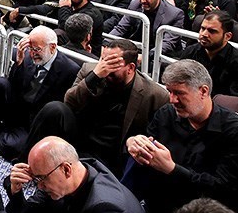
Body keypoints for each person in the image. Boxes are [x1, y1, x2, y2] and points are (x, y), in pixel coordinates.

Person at [30, 39, 169, 177]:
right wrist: (94, 77)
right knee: (55, 108)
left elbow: (153, 138)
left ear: (130, 68)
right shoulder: (90, 71)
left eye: (112, 63)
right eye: (103, 60)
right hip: (81, 138)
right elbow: (69, 102)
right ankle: (27, 166)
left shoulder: (155, 95)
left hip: (114, 154)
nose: (105, 67)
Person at [124, 59, 238, 213]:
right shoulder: (165, 114)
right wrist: (133, 142)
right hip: (155, 207)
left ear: (203, 91)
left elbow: (223, 191)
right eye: (169, 91)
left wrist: (172, 169)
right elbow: (144, 147)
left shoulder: (237, 133)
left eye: (179, 93)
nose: (172, 99)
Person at [0, 26, 80, 162]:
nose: (32, 53)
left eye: (37, 49)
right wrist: (19, 63)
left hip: (35, 122)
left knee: (14, 147)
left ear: (52, 47)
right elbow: (13, 85)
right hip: (18, 108)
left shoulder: (69, 70)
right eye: (30, 48)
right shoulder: (27, 56)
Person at [0, 136, 146, 213]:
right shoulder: (66, 175)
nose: (39, 186)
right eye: (36, 179)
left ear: (66, 169)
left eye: (41, 178)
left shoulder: (106, 209)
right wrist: (16, 191)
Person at [177, 10, 238, 98]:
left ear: (227, 36)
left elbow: (234, 101)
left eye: (212, 31)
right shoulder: (190, 52)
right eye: (203, 28)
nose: (204, 34)